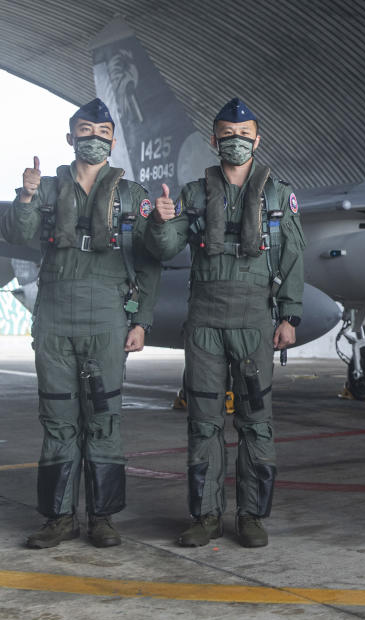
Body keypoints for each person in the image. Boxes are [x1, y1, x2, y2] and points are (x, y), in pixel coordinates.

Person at [1, 98, 161, 548]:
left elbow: (150, 263)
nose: (94, 138)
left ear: (113, 140)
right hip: (54, 318)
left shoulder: (133, 196)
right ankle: (58, 518)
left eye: (102, 131)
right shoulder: (48, 189)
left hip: (108, 318)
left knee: (104, 419)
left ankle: (103, 518)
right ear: (70, 137)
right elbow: (17, 234)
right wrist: (27, 194)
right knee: (57, 420)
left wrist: (141, 321)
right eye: (85, 130)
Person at [146, 98, 305, 548]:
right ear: (214, 140)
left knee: (256, 421)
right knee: (204, 421)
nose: (235, 141)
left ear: (258, 139)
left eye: (243, 134)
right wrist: (160, 222)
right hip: (205, 323)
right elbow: (163, 247)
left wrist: (289, 316)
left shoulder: (277, 194)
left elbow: (293, 256)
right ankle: (206, 515)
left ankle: (251, 516)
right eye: (226, 135)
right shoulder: (194, 195)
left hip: (255, 320)